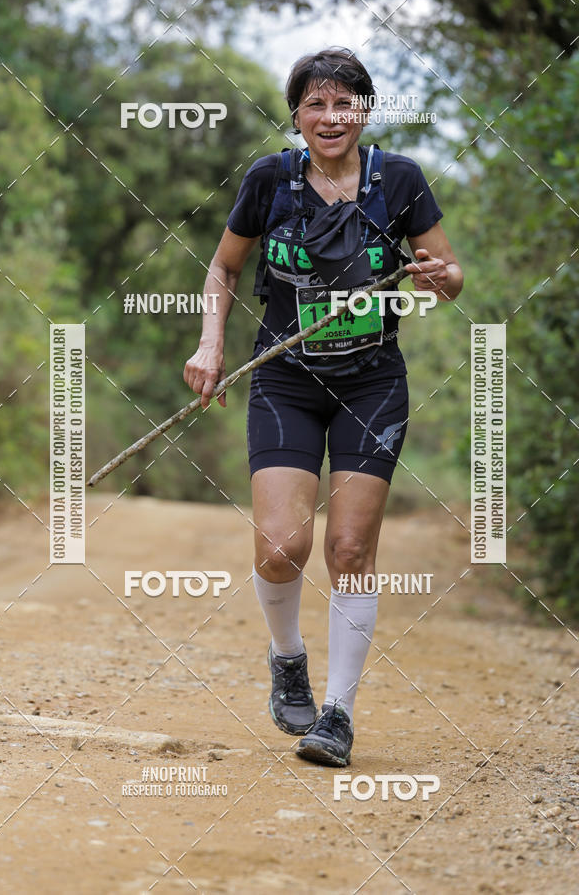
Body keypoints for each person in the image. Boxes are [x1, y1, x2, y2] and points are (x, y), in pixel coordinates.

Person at [184, 48, 463, 767]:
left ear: (365, 110)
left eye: (344, 104)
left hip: (373, 383)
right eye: (316, 104)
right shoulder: (269, 180)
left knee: (347, 550)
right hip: (285, 379)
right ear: (297, 114)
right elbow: (223, 266)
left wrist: (438, 277)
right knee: (282, 548)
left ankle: (336, 714)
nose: (330, 117)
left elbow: (449, 274)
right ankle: (287, 660)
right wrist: (211, 344)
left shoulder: (397, 180)